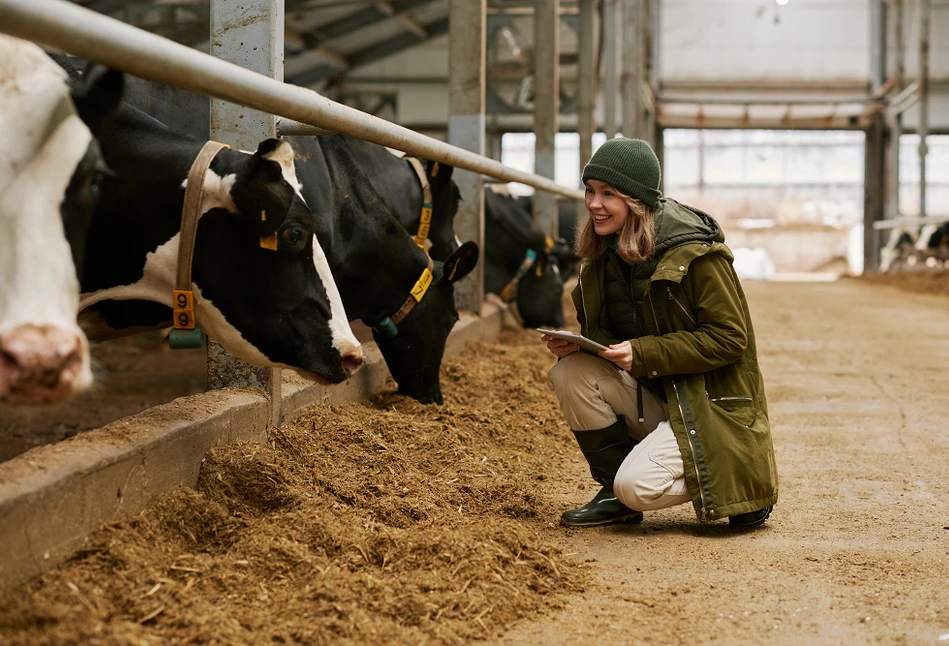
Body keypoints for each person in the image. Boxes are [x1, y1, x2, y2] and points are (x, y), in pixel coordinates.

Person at [543, 138, 777, 529]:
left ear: (636, 200)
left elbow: (730, 338)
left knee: (635, 486)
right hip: (657, 396)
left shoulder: (698, 255)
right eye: (590, 190)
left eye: (607, 194)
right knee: (571, 373)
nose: (593, 203)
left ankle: (738, 484)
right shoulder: (602, 257)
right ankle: (616, 495)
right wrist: (581, 347)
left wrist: (644, 352)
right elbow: (611, 342)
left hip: (706, 405)